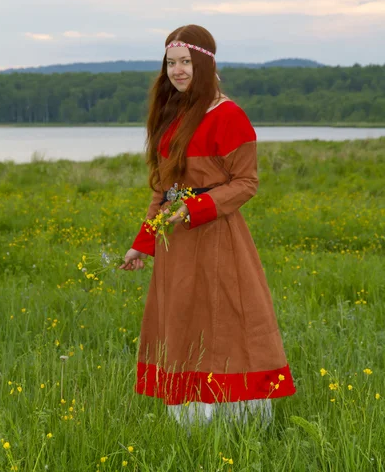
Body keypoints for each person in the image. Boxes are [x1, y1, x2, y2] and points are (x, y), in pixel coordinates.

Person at [119, 24, 296, 427]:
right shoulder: (172, 117)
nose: (177, 71)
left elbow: (246, 183)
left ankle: (237, 423)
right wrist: (142, 243)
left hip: (217, 238)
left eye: (185, 62)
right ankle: (191, 423)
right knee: (181, 323)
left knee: (224, 322)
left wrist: (197, 208)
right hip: (176, 245)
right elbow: (164, 191)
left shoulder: (228, 115)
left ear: (204, 63)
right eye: (170, 63)